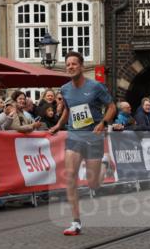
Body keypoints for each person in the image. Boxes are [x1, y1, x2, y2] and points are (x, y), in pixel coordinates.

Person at [49, 51, 116, 236]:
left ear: (82, 66)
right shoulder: (65, 89)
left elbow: (111, 107)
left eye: (74, 64)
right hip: (74, 136)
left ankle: (104, 164)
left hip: (93, 137)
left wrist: (103, 123)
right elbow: (68, 110)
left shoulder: (96, 87)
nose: (70, 67)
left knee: (93, 184)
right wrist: (58, 125)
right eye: (68, 64)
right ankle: (75, 222)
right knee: (70, 177)